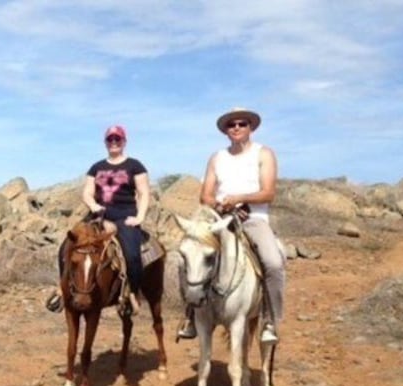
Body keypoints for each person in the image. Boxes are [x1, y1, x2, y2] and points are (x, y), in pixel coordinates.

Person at [176, 107, 285, 344]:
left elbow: (268, 192)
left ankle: (270, 321)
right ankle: (190, 315)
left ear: (250, 127)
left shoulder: (263, 154)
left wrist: (239, 199)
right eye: (232, 125)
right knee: (187, 256)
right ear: (226, 130)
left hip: (253, 219)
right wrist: (218, 204)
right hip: (219, 219)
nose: (236, 127)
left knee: (273, 263)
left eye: (242, 124)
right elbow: (205, 195)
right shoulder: (217, 158)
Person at [46, 124, 151, 315]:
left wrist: (139, 217)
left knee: (133, 255)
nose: (114, 143)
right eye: (110, 139)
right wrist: (93, 206)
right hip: (98, 213)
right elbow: (87, 192)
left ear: (124, 142)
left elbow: (144, 193)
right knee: (67, 245)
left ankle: (131, 293)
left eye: (117, 139)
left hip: (124, 215)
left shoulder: (135, 166)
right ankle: (63, 289)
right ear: (105, 143)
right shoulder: (97, 167)